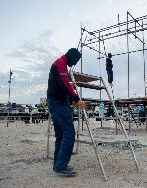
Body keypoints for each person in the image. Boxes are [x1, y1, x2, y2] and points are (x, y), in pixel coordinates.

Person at [47, 48, 87, 176]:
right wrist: (77, 99)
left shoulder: (60, 64)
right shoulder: (60, 64)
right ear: (72, 57)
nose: (75, 63)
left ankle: (58, 165)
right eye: (75, 60)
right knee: (69, 133)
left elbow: (63, 85)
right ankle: (61, 166)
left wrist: (71, 96)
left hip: (55, 102)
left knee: (61, 135)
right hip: (58, 103)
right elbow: (65, 85)